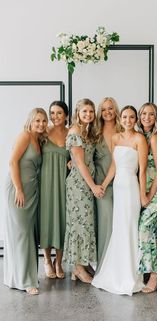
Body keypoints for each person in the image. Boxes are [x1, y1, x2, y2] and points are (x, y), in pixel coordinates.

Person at [92, 105, 148, 295]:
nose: (128, 120)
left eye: (132, 117)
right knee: (119, 227)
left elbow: (142, 169)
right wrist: (103, 185)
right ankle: (116, 272)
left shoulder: (140, 139)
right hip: (118, 186)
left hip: (131, 187)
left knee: (130, 227)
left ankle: (131, 274)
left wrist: (142, 194)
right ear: (120, 118)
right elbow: (114, 166)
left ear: (136, 120)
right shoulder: (115, 138)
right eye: (125, 117)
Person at [4, 108, 48, 295]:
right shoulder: (24, 135)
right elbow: (12, 162)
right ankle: (25, 281)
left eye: (44, 121)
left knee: (28, 235)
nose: (40, 124)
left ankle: (19, 276)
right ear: (30, 121)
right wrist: (19, 189)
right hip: (18, 191)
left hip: (32, 192)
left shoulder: (38, 140)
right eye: (37, 120)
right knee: (21, 235)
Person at [63, 99, 103, 283]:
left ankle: (83, 263)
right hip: (79, 184)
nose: (88, 114)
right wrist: (93, 186)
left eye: (91, 111)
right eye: (84, 111)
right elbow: (79, 162)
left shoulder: (87, 131)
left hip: (86, 182)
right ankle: (78, 268)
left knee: (86, 222)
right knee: (79, 223)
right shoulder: (75, 132)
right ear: (77, 113)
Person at [137, 103, 157, 293]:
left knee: (145, 230)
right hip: (139, 191)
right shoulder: (139, 136)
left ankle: (154, 275)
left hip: (153, 192)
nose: (147, 117)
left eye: (151, 114)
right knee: (151, 233)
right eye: (144, 113)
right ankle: (149, 272)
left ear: (156, 118)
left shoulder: (155, 137)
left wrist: (149, 195)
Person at [40, 101, 70, 279]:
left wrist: (72, 160)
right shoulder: (43, 131)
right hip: (45, 182)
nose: (55, 116)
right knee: (47, 219)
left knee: (62, 219)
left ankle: (59, 262)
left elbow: (81, 154)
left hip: (64, 182)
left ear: (66, 115)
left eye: (59, 113)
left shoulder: (71, 132)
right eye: (52, 113)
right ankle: (46, 260)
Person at [94, 97, 121, 273]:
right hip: (102, 186)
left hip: (123, 184)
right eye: (103, 109)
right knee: (106, 225)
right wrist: (71, 161)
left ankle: (121, 265)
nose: (107, 112)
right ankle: (104, 267)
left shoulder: (124, 128)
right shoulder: (95, 131)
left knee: (122, 225)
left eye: (110, 108)